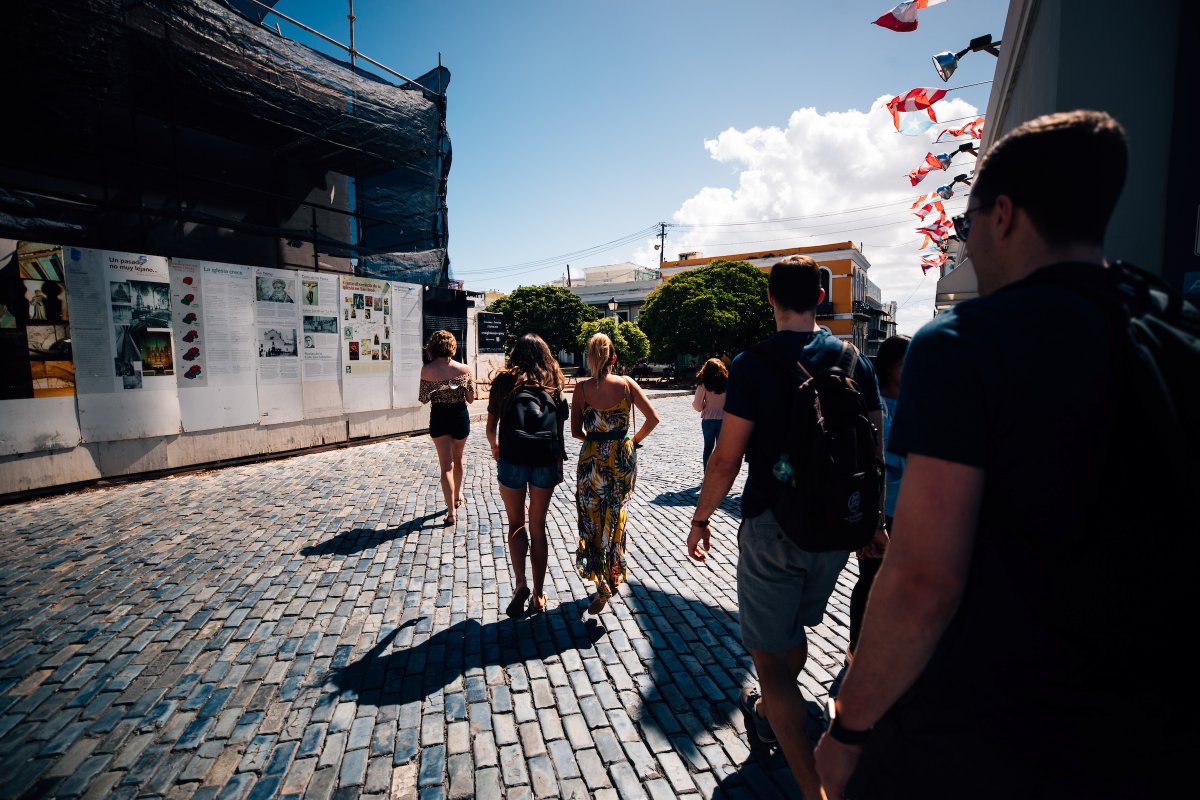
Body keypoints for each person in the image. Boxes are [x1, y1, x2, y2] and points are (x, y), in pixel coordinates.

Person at [815, 110, 1186, 799]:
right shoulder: (1170, 329)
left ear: (1004, 215)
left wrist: (849, 730)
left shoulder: (965, 344)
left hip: (996, 731)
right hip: (1151, 727)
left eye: (966, 225)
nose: (965, 244)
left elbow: (924, 579)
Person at [685, 255, 883, 800]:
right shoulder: (852, 359)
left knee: (772, 665)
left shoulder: (753, 363)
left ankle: (814, 788)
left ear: (769, 299)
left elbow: (726, 460)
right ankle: (776, 714)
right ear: (820, 298)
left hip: (773, 524)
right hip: (836, 533)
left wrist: (701, 518)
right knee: (789, 639)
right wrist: (873, 522)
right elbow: (874, 450)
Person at [572, 333, 659, 615]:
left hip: (592, 461)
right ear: (614, 358)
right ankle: (613, 573)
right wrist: (631, 442)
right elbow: (653, 418)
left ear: (589, 358)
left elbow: (575, 431)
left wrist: (596, 439)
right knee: (616, 516)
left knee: (591, 519)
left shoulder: (582, 390)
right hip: (622, 458)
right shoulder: (626, 385)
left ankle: (600, 582)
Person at [486, 333, 568, 618]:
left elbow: (489, 427)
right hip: (545, 459)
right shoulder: (554, 382)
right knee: (538, 526)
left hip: (512, 457)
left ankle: (519, 582)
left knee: (515, 524)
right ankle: (538, 593)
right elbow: (559, 427)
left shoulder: (504, 382)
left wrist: (496, 449)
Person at [845, 335, 909, 664]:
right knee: (870, 578)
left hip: (913, 511)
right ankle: (856, 650)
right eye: (904, 363)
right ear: (889, 367)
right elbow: (876, 460)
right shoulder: (877, 404)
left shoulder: (918, 402)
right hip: (880, 509)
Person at [418, 330, 475, 526]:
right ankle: (458, 496)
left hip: (440, 417)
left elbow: (424, 399)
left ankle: (451, 513)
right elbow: (471, 399)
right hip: (460, 416)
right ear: (452, 346)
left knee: (445, 466)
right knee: (458, 459)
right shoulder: (464, 369)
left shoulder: (426, 370)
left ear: (432, 347)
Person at [691, 357, 727, 469]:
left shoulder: (703, 384)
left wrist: (703, 407)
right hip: (724, 420)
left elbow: (697, 405)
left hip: (709, 420)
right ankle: (720, 473)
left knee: (708, 447)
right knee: (722, 448)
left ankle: (707, 474)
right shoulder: (728, 383)